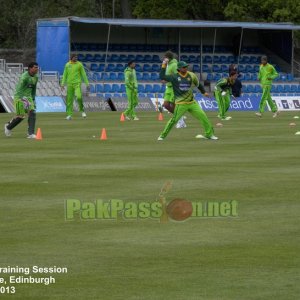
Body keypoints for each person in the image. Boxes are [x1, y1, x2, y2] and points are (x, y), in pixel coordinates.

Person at [158, 60, 218, 141]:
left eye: (186, 66)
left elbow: (198, 84)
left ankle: (209, 134)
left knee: (203, 116)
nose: (186, 68)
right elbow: (162, 76)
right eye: (184, 67)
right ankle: (162, 135)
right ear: (179, 69)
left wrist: (204, 92)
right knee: (173, 120)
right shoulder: (174, 77)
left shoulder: (191, 75)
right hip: (181, 104)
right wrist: (164, 65)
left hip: (192, 103)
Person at [4, 62, 39, 138]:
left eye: (37, 67)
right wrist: (20, 99)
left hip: (28, 97)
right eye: (35, 67)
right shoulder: (24, 77)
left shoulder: (36, 77)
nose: (37, 69)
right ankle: (8, 126)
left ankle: (31, 133)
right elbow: (19, 88)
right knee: (21, 116)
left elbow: (34, 88)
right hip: (20, 96)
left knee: (32, 112)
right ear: (30, 68)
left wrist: (33, 98)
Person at [161, 51, 186, 128]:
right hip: (168, 87)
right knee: (166, 105)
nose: (164, 59)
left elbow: (177, 76)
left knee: (173, 105)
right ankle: (180, 117)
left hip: (174, 87)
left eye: (165, 57)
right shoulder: (167, 65)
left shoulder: (174, 65)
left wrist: (168, 79)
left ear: (169, 58)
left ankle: (180, 122)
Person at [61, 54, 89, 120]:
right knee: (69, 100)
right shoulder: (67, 65)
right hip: (69, 84)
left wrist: (87, 84)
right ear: (71, 58)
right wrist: (62, 84)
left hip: (77, 84)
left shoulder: (79, 64)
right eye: (74, 57)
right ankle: (69, 115)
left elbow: (83, 74)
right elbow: (65, 74)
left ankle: (82, 111)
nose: (76, 58)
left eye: (76, 57)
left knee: (79, 97)